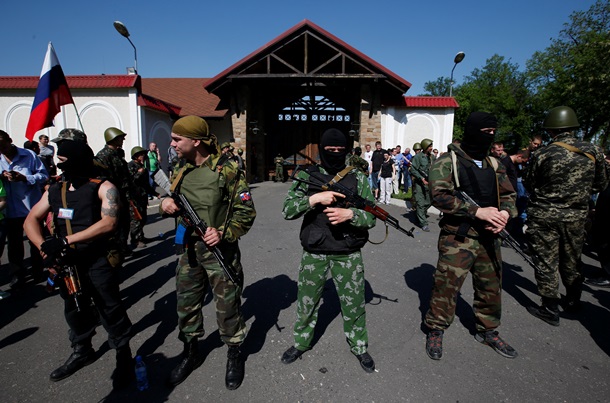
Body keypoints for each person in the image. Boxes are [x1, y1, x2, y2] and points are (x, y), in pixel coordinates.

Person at [23, 140, 133, 388]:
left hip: (97, 260)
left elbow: (109, 223)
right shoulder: (55, 188)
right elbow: (31, 220)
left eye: (63, 160)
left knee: (110, 307)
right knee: (75, 308)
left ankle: (123, 353)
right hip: (67, 264)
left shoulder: (103, 187)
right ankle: (82, 350)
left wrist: (64, 240)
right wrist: (45, 249)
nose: (60, 165)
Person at [160, 116, 256, 390]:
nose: (173, 143)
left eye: (178, 139)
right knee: (186, 305)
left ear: (196, 142)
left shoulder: (227, 169)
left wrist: (223, 232)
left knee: (228, 306)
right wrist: (165, 202)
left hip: (219, 253)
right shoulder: (179, 167)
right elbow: (169, 196)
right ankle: (190, 352)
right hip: (188, 251)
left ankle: (234, 352)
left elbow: (246, 212)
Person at [280, 128, 377, 373]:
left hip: (347, 250)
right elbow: (288, 210)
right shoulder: (306, 175)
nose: (334, 154)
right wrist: (314, 199)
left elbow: (372, 217)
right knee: (307, 301)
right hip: (315, 250)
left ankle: (359, 346)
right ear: (322, 149)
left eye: (339, 150)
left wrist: (351, 214)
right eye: (329, 150)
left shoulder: (358, 177)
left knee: (354, 303)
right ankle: (301, 343)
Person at [423, 111, 518, 360]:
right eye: (486, 133)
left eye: (493, 133)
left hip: (490, 236)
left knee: (491, 286)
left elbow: (509, 194)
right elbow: (440, 196)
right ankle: (436, 328)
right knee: (446, 285)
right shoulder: (447, 161)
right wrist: (477, 211)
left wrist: (505, 215)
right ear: (472, 131)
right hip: (459, 237)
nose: (491, 137)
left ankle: (488, 329)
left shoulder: (494, 163)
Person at [525, 106, 609, 326]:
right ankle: (573, 300)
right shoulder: (594, 151)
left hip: (545, 215)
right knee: (572, 259)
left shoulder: (543, 153)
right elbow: (601, 183)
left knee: (546, 261)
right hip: (577, 216)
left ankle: (550, 307)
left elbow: (530, 183)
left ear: (551, 129)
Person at [0, 130, 48, 288]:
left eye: (3, 144)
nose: (2, 149)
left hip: (31, 209)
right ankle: (17, 275)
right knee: (14, 246)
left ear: (10, 140)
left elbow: (43, 176)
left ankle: (38, 271)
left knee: (36, 243)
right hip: (10, 211)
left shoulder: (28, 155)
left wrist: (25, 178)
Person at [96, 128, 132, 257]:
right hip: (114, 196)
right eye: (121, 138)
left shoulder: (117, 154)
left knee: (125, 224)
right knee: (115, 226)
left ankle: (122, 248)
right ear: (114, 139)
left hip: (124, 194)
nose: (123, 140)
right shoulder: (103, 156)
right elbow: (105, 178)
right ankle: (115, 254)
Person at [128, 146, 159, 249]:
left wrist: (155, 193)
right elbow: (130, 181)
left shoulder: (143, 167)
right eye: (141, 154)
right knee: (136, 219)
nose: (144, 156)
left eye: (144, 154)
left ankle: (141, 237)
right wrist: (138, 173)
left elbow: (146, 185)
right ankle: (135, 240)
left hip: (142, 196)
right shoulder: (131, 166)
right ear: (136, 156)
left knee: (143, 218)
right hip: (134, 197)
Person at [411, 138, 434, 231]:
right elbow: (413, 169)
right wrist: (421, 178)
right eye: (430, 146)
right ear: (425, 147)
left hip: (429, 183)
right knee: (420, 203)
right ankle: (423, 223)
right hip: (419, 184)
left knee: (429, 201)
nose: (431, 148)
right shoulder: (418, 157)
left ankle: (419, 215)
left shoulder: (432, 157)